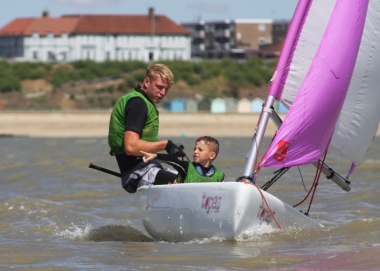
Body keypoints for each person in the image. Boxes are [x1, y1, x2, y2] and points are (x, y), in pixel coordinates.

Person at [108, 63, 185, 193]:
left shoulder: (144, 102)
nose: (163, 93)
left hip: (150, 168)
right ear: (147, 81)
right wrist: (166, 145)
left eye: (167, 89)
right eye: (159, 87)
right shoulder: (138, 104)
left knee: (189, 178)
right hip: (136, 173)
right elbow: (131, 147)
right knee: (182, 183)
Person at [141, 136, 225, 183]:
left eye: (200, 150)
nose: (195, 152)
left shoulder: (219, 176)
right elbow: (172, 160)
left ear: (212, 155)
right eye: (194, 149)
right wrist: (155, 156)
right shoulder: (187, 168)